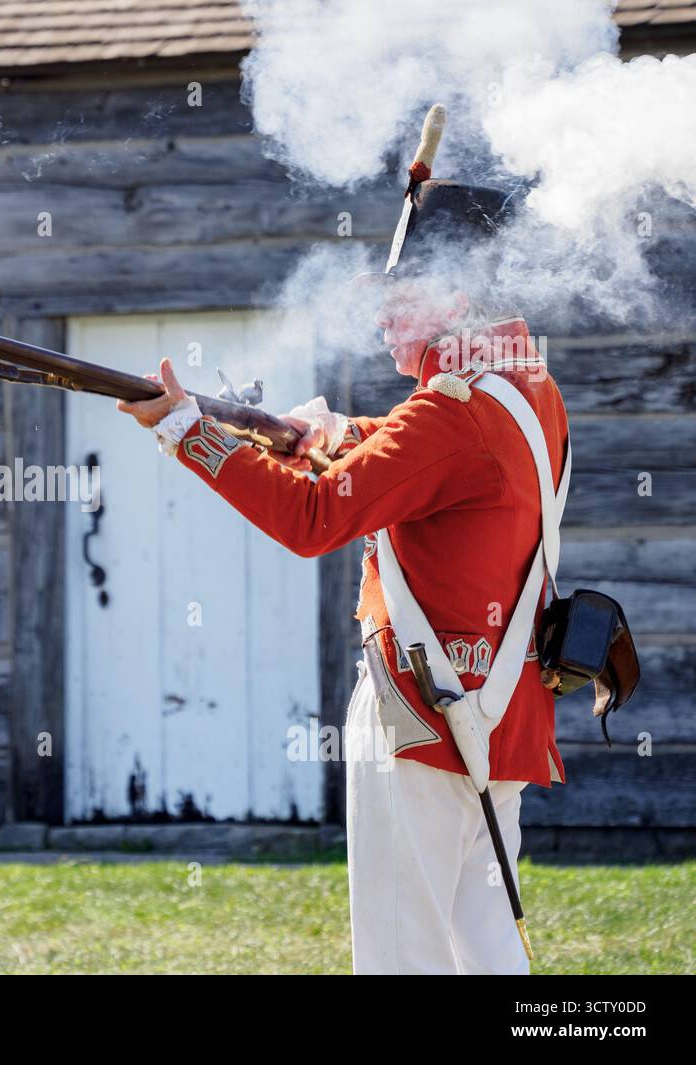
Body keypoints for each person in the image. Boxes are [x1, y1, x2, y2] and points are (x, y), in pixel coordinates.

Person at [115, 181, 570, 974]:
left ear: (456, 296)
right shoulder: (524, 389)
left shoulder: (451, 410)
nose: (382, 315)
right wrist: (325, 433)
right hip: (493, 718)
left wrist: (190, 432)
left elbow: (314, 519)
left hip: (421, 721)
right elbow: (424, 457)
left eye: (402, 296)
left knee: (402, 958)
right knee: (486, 952)